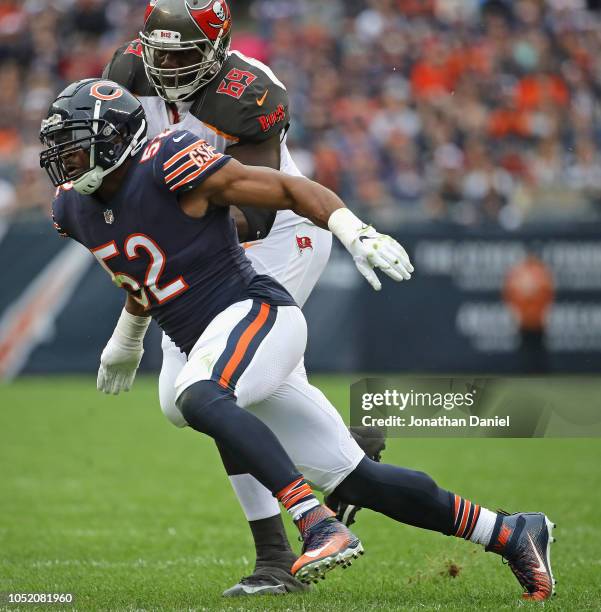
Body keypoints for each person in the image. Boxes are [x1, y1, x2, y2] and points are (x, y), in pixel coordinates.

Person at [41, 78, 556, 602]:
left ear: (117, 139)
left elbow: (286, 188)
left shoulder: (169, 160)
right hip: (216, 341)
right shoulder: (72, 210)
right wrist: (127, 337)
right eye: (60, 150)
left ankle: (316, 522)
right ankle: (511, 532)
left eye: (77, 146)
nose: (66, 161)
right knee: (356, 479)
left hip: (256, 312)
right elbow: (138, 271)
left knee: (195, 394)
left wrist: (354, 230)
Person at [99, 0, 384, 595]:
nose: (169, 67)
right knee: (200, 398)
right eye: (161, 52)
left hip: (279, 230)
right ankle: (349, 455)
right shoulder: (125, 74)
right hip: (196, 229)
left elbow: (252, 213)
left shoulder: (250, 90)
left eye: (185, 53)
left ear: (220, 48)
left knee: (209, 390)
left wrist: (139, 311)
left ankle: (277, 557)